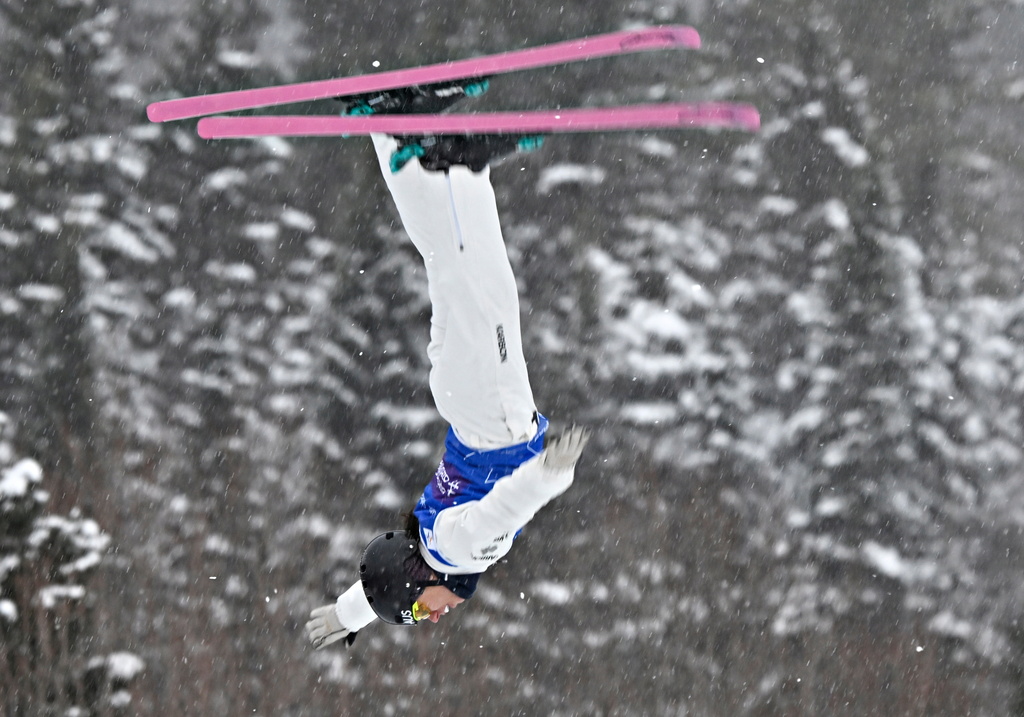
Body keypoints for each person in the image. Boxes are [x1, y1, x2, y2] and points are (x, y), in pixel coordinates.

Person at [305, 83, 590, 650]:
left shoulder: (457, 551)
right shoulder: (431, 544)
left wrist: (550, 477)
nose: (431, 618)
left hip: (492, 411)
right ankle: (393, 127)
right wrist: (350, 613)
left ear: (419, 577)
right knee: (448, 262)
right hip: (464, 402)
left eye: (417, 610)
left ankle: (461, 166)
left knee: (481, 280)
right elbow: (386, 581)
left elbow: (502, 511)